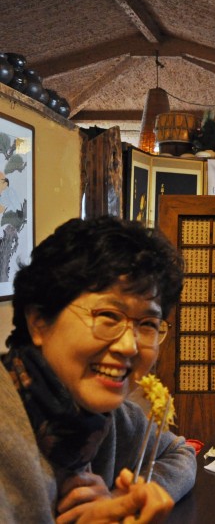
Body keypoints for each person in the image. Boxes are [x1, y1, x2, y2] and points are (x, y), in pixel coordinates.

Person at [0, 216, 196, 523]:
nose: (129, 346)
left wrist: (125, 499)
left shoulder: (105, 418)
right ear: (39, 321)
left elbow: (180, 453)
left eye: (147, 324)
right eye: (108, 315)